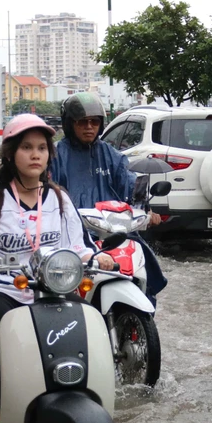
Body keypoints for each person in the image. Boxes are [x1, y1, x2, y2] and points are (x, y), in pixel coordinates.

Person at [0, 114, 115, 423]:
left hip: (47, 287)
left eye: (41, 147)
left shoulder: (59, 199)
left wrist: (99, 257)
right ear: (11, 154)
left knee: (89, 318)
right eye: (26, 147)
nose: (35, 154)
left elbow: (80, 246)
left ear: (50, 154)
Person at [51, 92, 167, 300]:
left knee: (144, 258)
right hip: (75, 234)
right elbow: (50, 192)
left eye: (94, 122)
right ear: (69, 124)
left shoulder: (109, 154)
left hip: (113, 230)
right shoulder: (57, 155)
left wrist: (146, 209)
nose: (89, 127)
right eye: (82, 122)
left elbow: (128, 182)